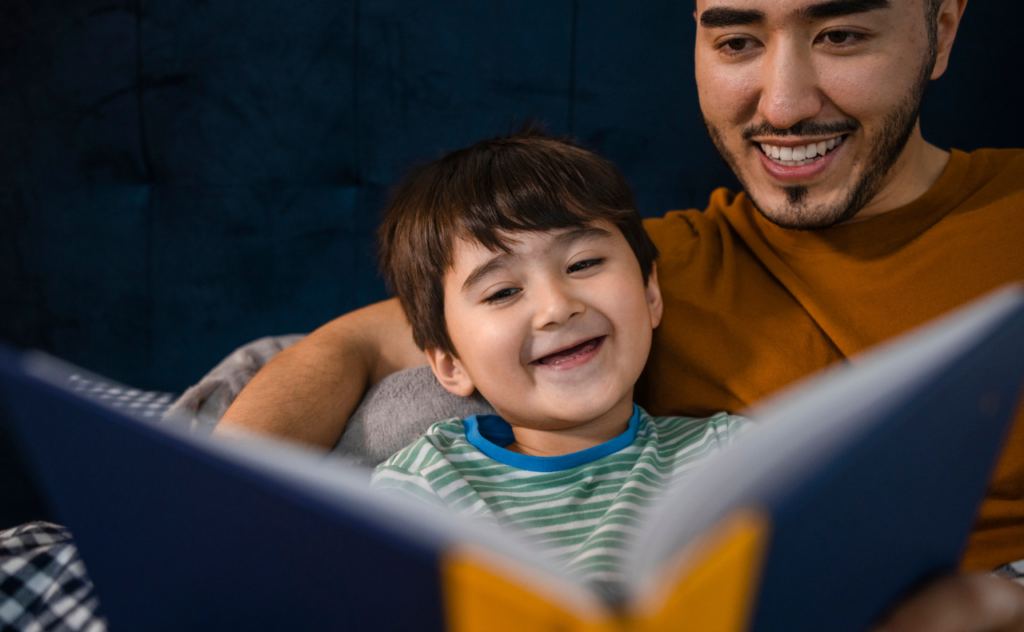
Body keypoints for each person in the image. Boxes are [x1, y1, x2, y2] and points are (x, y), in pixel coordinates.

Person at [220, 0, 1024, 628]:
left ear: (942, 30)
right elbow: (348, 345)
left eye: (843, 35)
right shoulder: (640, 267)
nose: (782, 106)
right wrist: (210, 532)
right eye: (737, 42)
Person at [366, 129, 750, 583]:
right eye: (503, 292)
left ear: (650, 294)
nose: (557, 307)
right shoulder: (427, 485)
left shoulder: (730, 455)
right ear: (452, 364)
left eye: (583, 264)